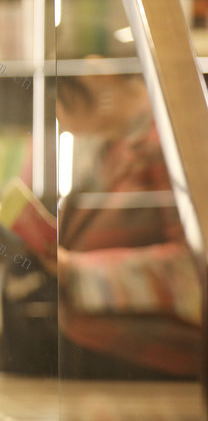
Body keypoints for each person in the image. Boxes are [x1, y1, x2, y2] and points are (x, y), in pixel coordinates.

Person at [44, 72, 198, 378]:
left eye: (63, 99)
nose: (59, 113)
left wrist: (78, 271)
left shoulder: (166, 142)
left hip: (154, 357)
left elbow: (193, 267)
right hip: (102, 345)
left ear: (101, 76)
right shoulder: (111, 144)